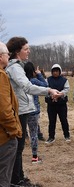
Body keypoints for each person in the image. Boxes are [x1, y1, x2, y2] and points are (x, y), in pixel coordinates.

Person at [6, 36, 59, 186]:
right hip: (20, 111)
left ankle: (19, 177)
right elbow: (28, 87)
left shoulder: (17, 66)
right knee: (18, 147)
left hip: (22, 110)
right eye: (26, 48)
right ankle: (16, 181)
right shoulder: (15, 68)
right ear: (17, 51)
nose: (29, 51)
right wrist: (49, 90)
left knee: (19, 147)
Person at [0, 42, 22, 187]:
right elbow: (4, 109)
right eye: (7, 53)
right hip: (4, 136)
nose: (8, 55)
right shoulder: (1, 75)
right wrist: (13, 130)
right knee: (3, 178)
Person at [24, 62, 48, 163]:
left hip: (22, 110)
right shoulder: (34, 81)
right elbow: (46, 85)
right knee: (34, 133)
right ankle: (34, 156)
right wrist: (39, 74)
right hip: (33, 111)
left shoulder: (22, 81)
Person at [45, 64, 71, 144]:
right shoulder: (48, 80)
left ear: (59, 71)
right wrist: (51, 96)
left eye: (57, 71)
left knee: (64, 120)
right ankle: (51, 137)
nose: (55, 73)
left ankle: (67, 136)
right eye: (54, 71)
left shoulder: (64, 80)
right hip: (51, 104)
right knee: (52, 121)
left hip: (61, 104)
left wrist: (60, 94)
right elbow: (45, 89)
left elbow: (67, 89)